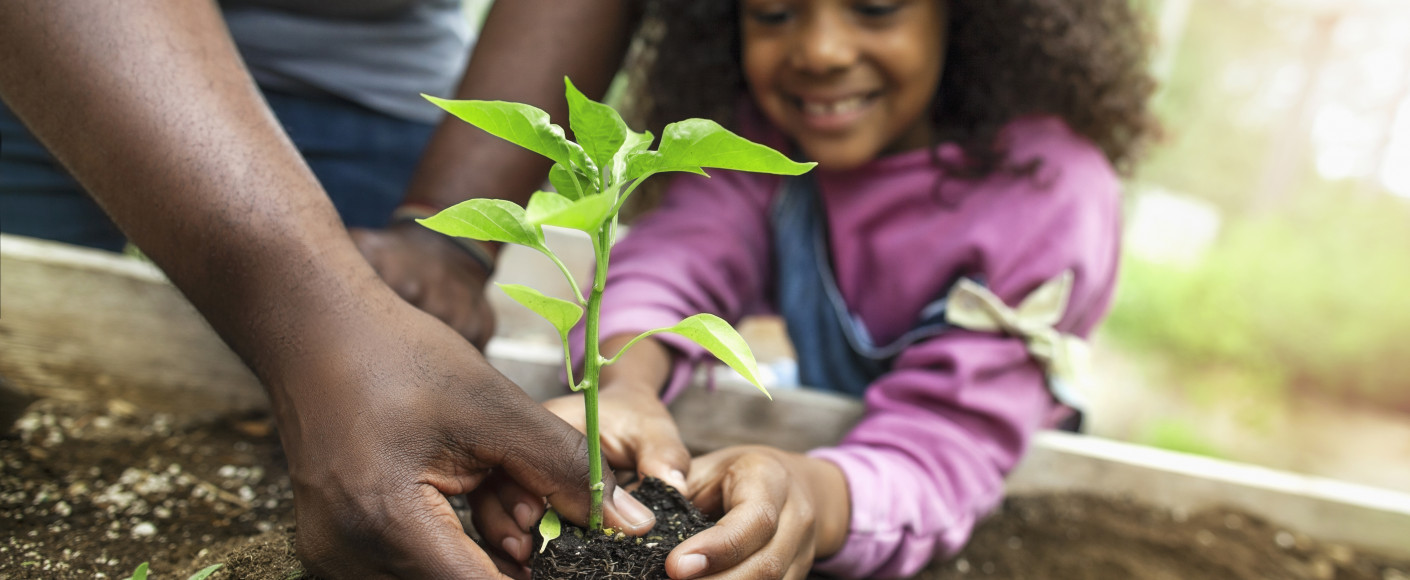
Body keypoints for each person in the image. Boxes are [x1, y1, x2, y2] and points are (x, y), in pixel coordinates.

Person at [473, 0, 1157, 578]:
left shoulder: (1047, 193)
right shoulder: (766, 143)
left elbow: (948, 444)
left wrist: (811, 495)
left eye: (876, 6)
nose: (822, 50)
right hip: (835, 443)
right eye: (774, 12)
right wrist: (624, 387)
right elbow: (679, 258)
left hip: (970, 481)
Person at [0, 1, 661, 578]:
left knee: (391, 404)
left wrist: (450, 242)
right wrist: (316, 313)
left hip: (369, 90)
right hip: (62, 44)